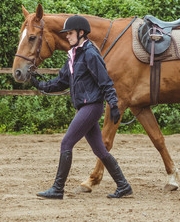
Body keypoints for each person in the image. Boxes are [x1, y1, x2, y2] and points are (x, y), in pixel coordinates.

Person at [29, 15, 133, 200]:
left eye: (70, 33)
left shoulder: (91, 53)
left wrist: (113, 104)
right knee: (100, 150)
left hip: (91, 107)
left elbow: (105, 82)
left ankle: (57, 189)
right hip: (84, 107)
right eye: (67, 33)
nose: (67, 36)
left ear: (81, 33)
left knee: (66, 143)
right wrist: (39, 84)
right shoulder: (73, 55)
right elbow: (61, 82)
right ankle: (123, 186)